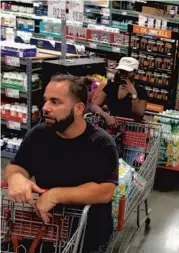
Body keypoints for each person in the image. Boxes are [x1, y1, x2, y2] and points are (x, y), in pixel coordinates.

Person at [4, 74, 118, 253]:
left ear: (79, 108)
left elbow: (105, 191)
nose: (45, 108)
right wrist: (16, 177)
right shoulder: (38, 135)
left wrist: (55, 195)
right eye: (46, 100)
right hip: (47, 225)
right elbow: (17, 165)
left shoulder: (101, 143)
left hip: (87, 232)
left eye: (55, 102)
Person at [91, 57, 148, 124]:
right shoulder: (111, 87)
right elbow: (94, 106)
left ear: (135, 72)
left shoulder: (141, 91)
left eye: (127, 71)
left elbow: (138, 115)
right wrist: (106, 116)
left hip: (131, 130)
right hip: (112, 126)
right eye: (121, 70)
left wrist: (133, 94)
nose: (123, 73)